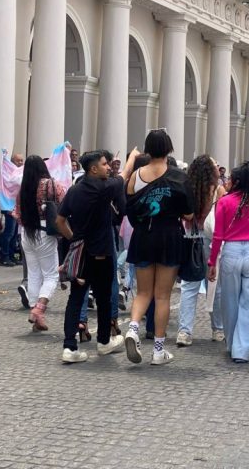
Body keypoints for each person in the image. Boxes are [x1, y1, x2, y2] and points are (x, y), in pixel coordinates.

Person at [56, 149, 138, 363]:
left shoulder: (74, 190)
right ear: (93, 169)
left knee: (75, 299)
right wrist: (132, 156)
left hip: (81, 254)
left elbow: (59, 221)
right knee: (103, 298)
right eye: (104, 164)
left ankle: (69, 346)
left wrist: (75, 239)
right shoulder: (104, 187)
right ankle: (103, 342)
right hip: (102, 253)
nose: (108, 167)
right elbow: (125, 174)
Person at [124, 130, 194, 366]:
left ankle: (133, 328)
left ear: (147, 149)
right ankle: (158, 350)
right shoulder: (179, 177)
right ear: (169, 149)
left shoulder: (135, 176)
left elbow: (130, 208)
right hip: (169, 235)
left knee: (143, 293)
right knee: (162, 295)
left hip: (143, 235)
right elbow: (189, 213)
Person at [207, 163, 249, 363]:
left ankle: (231, 343)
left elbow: (218, 235)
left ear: (237, 181)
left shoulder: (224, 202)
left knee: (229, 301)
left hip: (231, 252)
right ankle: (241, 350)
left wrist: (212, 262)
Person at [176, 155, 226, 347]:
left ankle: (184, 331)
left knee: (189, 287)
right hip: (210, 240)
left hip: (190, 238)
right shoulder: (217, 191)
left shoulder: (187, 188)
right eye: (215, 165)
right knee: (214, 287)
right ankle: (218, 329)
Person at [14, 156, 67, 332]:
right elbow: (64, 201)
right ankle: (39, 309)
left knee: (34, 274)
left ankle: (35, 312)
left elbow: (17, 214)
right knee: (51, 275)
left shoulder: (23, 189)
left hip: (27, 233)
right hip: (45, 232)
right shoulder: (51, 185)